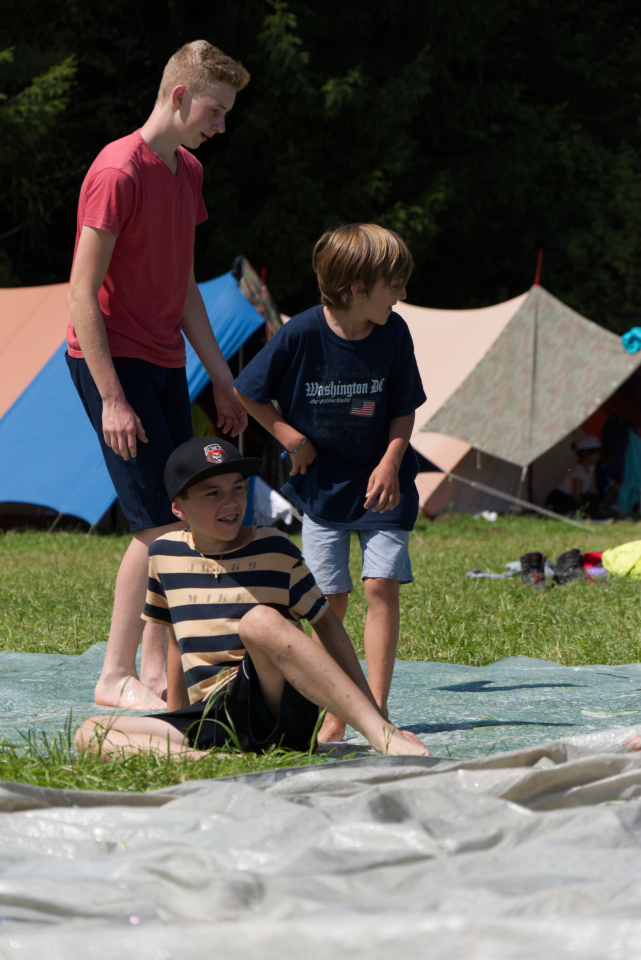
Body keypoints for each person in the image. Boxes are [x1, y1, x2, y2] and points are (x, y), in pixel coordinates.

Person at [66, 41, 250, 711]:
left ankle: (152, 671)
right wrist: (112, 398)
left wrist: (221, 378)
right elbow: (81, 292)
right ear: (179, 96)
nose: (220, 126)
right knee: (158, 528)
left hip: (167, 359)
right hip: (111, 362)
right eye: (215, 110)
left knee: (182, 515)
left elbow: (184, 287)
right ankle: (114, 676)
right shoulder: (118, 170)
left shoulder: (188, 171)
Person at [75, 438, 430, 758]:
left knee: (259, 621)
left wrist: (378, 721)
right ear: (179, 508)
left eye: (238, 488)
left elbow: (327, 624)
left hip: (278, 711)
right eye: (212, 493)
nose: (230, 501)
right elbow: (175, 639)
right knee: (90, 732)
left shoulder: (274, 547)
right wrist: (176, 718)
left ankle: (381, 736)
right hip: (214, 718)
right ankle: (214, 761)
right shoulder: (163, 554)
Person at [233, 224, 426, 743]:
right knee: (327, 601)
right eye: (394, 286)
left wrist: (390, 462)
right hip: (321, 489)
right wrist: (290, 438)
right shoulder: (299, 333)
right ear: (358, 289)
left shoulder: (395, 333)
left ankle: (376, 710)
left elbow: (404, 408)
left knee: (381, 585)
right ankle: (337, 712)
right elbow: (248, 390)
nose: (403, 294)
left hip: (383, 484)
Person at [546, 435, 602, 517]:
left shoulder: (592, 467)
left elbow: (593, 488)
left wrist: (595, 505)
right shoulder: (578, 471)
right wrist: (586, 509)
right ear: (585, 453)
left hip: (572, 499)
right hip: (561, 500)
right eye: (596, 453)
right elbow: (576, 496)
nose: (599, 456)